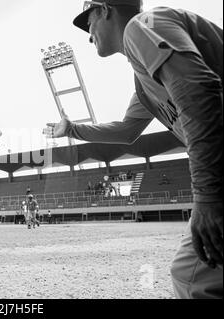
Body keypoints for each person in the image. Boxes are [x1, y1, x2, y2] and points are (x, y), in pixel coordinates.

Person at [45, 0, 223, 298]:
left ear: (104, 9)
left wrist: (209, 194)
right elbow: (127, 131)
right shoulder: (144, 80)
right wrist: (73, 129)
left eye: (88, 21)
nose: (88, 34)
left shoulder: (142, 26)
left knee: (193, 276)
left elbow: (199, 91)